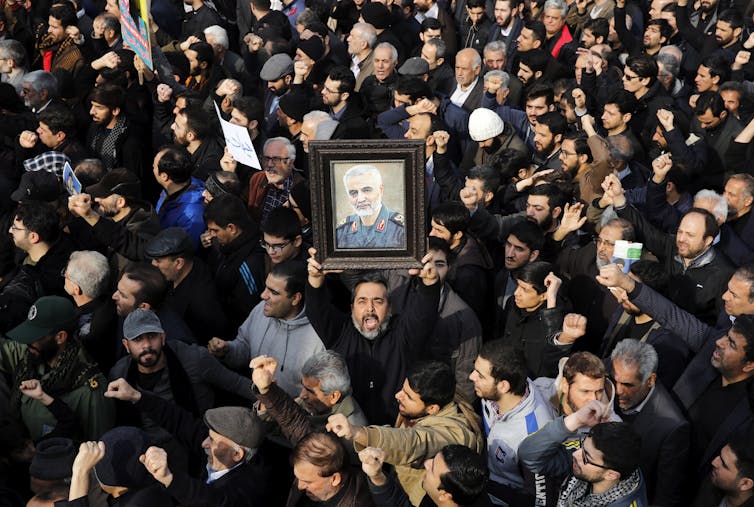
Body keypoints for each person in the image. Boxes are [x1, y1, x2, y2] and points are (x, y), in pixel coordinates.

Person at [306, 249, 441, 424]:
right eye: (362, 301)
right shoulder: (340, 332)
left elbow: (424, 314)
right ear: (352, 307)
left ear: (390, 308)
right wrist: (316, 278)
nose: (369, 308)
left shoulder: (403, 334)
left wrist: (429, 282)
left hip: (395, 434)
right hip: (348, 430)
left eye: (378, 301)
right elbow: (316, 309)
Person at [327, 360, 484, 505]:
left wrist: (358, 432)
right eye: (403, 389)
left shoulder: (455, 434)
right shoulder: (420, 410)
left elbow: (413, 442)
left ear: (432, 408)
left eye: (408, 396)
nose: (398, 395)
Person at [105, 378, 272, 507]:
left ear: (237, 454)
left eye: (212, 440)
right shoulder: (223, 446)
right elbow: (179, 420)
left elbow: (214, 501)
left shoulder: (250, 488)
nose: (203, 443)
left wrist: (169, 477)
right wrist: (137, 396)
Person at [0, 296, 114, 441]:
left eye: (36, 336)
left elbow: (99, 448)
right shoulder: (31, 356)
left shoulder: (90, 389)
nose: (28, 342)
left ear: (60, 337)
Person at [208, 261, 324, 397]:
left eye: (273, 292)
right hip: (256, 404)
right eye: (266, 288)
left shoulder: (318, 338)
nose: (263, 295)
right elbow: (245, 347)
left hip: (289, 415)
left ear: (295, 298)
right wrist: (227, 350)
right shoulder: (261, 310)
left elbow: (318, 395)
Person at [469, 341, 553, 505]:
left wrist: (484, 489)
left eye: (480, 375)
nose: (471, 377)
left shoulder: (533, 436)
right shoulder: (495, 394)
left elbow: (538, 499)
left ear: (503, 386)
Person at [519, 402, 648, 506]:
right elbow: (529, 456)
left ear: (611, 475)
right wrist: (577, 420)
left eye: (586, 456)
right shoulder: (592, 457)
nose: (575, 454)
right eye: (582, 446)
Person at [609, 339, 690, 506]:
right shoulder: (606, 380)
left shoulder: (671, 427)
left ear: (651, 380)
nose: (617, 390)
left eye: (627, 384)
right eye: (614, 380)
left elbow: (666, 496)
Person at [360, 445, 489, 506]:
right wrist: (377, 476)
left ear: (444, 495)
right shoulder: (456, 492)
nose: (427, 463)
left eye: (432, 469)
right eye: (433, 459)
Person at [336, 164, 405, 249]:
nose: (360, 199)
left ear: (381, 190)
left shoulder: (401, 230)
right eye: (353, 193)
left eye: (367, 190)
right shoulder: (341, 231)